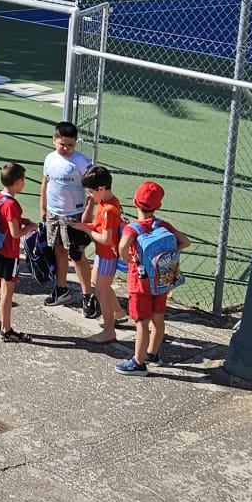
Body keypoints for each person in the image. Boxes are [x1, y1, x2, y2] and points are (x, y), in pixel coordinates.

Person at [117, 181, 185, 376]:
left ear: (134, 201)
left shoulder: (133, 228)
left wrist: (127, 258)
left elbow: (123, 246)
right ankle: (153, 354)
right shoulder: (162, 225)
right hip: (161, 281)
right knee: (158, 319)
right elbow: (184, 241)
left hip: (139, 282)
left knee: (141, 323)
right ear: (159, 206)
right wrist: (164, 258)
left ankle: (138, 363)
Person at [39, 121, 94, 310]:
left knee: (77, 256)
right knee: (59, 251)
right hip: (54, 214)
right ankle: (61, 289)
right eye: (62, 144)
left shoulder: (81, 162)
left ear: (76, 143)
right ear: (54, 140)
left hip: (75, 216)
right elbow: (45, 183)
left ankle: (88, 295)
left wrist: (88, 212)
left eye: (70, 145)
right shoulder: (49, 159)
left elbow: (93, 188)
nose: (66, 148)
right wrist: (43, 208)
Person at [0, 163, 29, 342]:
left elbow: (4, 220)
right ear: (18, 182)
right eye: (23, 181)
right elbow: (15, 233)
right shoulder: (12, 205)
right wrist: (30, 227)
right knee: (7, 290)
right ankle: (6, 329)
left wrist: (20, 220)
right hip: (9, 252)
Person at [81, 165, 123, 344]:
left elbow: (106, 239)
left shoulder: (108, 210)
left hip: (107, 255)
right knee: (97, 283)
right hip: (102, 254)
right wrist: (86, 226)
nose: (89, 195)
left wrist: (87, 230)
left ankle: (109, 330)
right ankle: (118, 313)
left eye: (90, 192)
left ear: (101, 189)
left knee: (101, 292)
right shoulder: (104, 202)